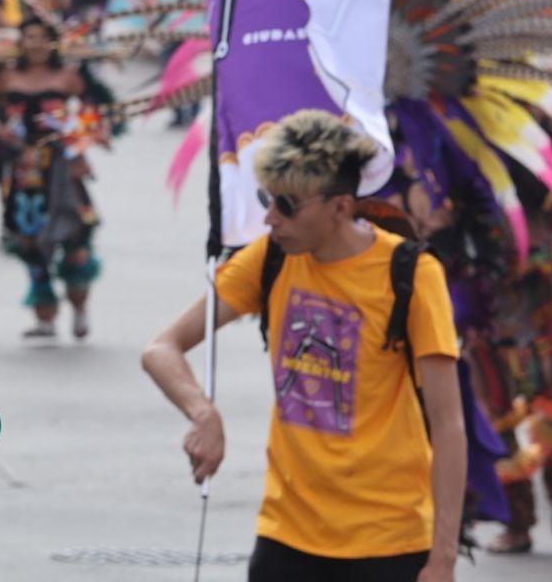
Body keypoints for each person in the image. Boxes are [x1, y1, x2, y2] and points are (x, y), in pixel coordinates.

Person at [142, 110, 465, 582]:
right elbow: (161, 348)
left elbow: (448, 422)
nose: (271, 217)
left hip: (389, 539)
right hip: (287, 537)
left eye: (287, 205)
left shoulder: (412, 274)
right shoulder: (271, 258)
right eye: (267, 199)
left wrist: (444, 558)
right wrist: (203, 413)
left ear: (339, 206)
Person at [0, 18, 102, 340]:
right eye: (28, 37)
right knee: (28, 239)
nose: (35, 44)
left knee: (76, 237)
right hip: (25, 170)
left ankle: (79, 307)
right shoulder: (5, 77)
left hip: (64, 166)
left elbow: (97, 111)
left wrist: (82, 136)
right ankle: (44, 316)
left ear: (53, 42)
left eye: (41, 37)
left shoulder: (70, 78)